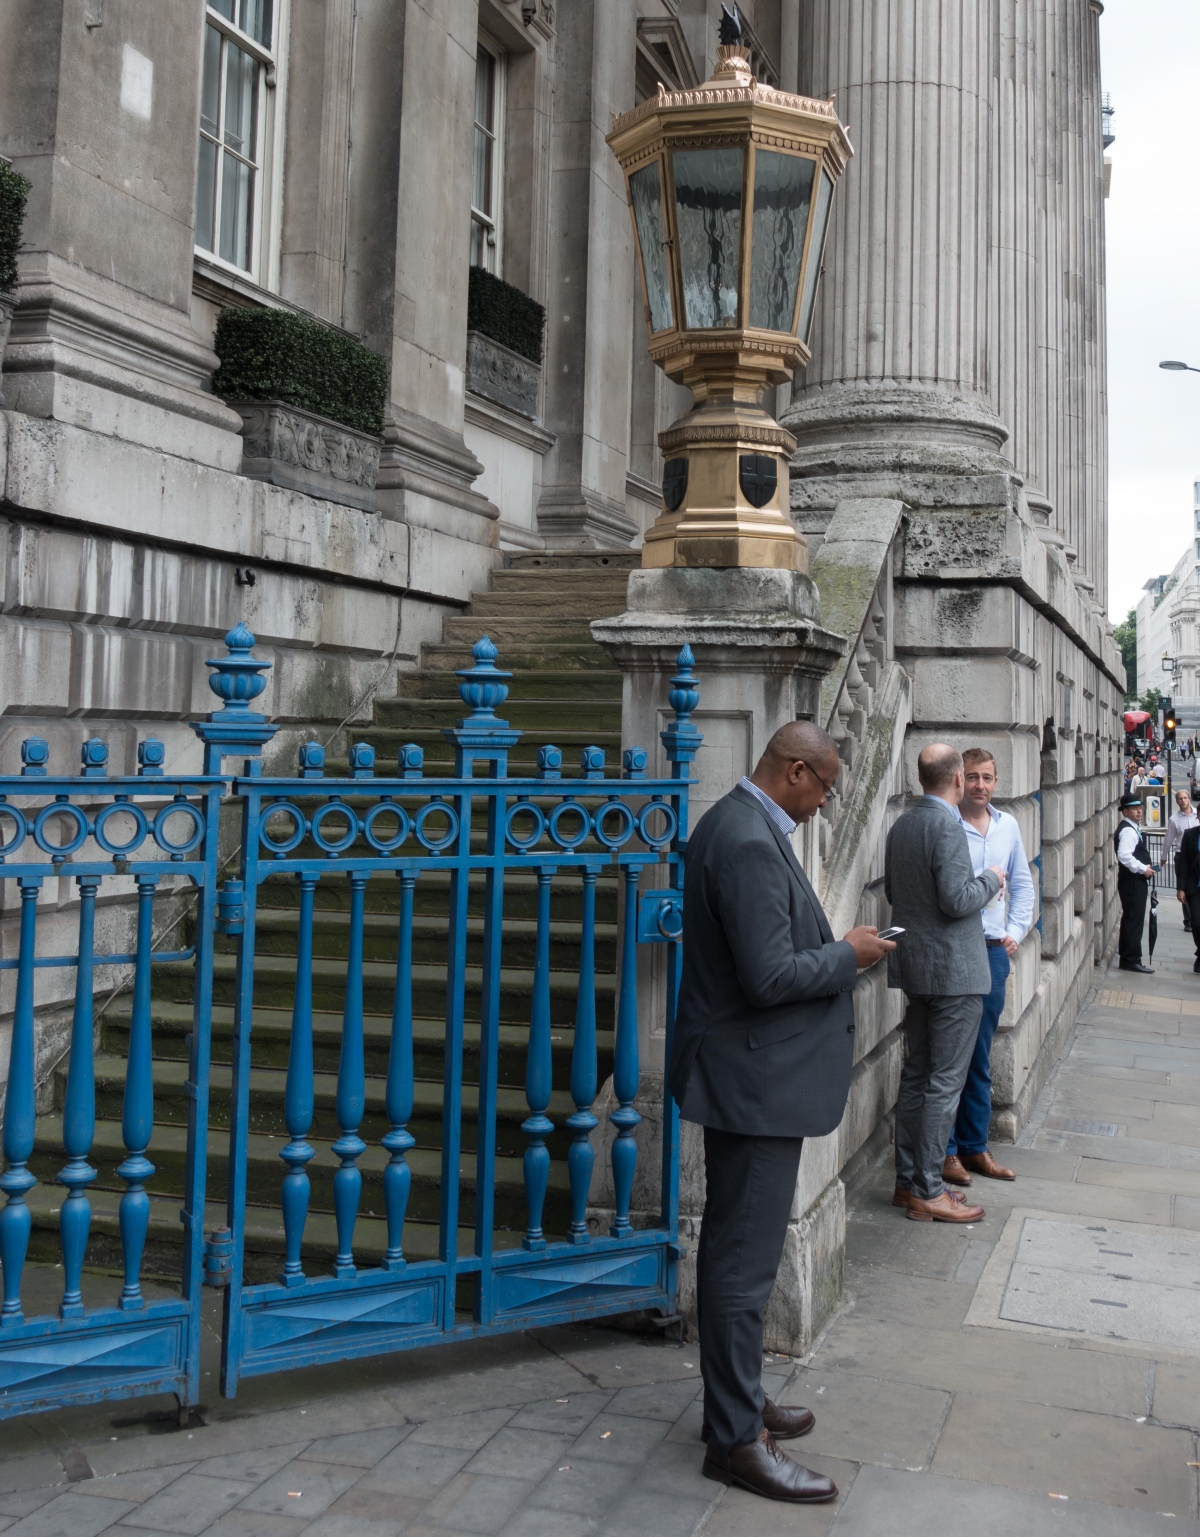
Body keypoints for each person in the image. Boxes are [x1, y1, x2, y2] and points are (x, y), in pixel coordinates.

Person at [671, 721, 894, 1504]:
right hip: (753, 1084)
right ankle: (735, 1442)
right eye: (824, 787)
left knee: (736, 1254)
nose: (826, 802)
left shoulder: (738, 823)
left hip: (751, 1078)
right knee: (742, 1263)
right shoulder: (744, 839)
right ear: (795, 770)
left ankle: (735, 1403)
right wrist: (848, 955)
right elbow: (767, 976)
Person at [884, 744, 1005, 1224]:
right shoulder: (947, 826)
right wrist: (991, 879)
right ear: (957, 778)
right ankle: (929, 1190)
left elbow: (895, 892)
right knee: (944, 1082)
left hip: (916, 967)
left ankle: (906, 1182)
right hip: (955, 971)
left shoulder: (902, 825)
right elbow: (957, 900)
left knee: (917, 1076)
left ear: (921, 777)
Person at [942, 748, 1035, 1189]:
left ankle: (974, 1146)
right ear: (960, 779)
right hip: (955, 950)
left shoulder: (1008, 826)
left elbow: (1023, 884)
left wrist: (1015, 930)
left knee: (980, 1054)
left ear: (996, 782)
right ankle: (946, 1151)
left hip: (993, 951)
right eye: (973, 776)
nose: (980, 785)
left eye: (988, 777)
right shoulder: (947, 823)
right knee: (949, 1056)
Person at [1115, 793, 1156, 973]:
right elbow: (1124, 855)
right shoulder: (1128, 831)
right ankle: (1131, 959)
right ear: (1125, 812)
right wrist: (1142, 868)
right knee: (1134, 920)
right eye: (1134, 808)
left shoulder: (1131, 828)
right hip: (1132, 882)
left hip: (1132, 881)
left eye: (1140, 808)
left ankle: (1127, 957)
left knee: (1130, 919)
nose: (1139, 811)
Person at [1165, 789, 1198, 932]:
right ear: (1177, 801)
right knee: (1184, 887)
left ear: (1189, 799)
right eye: (1180, 798)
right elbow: (1169, 838)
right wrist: (1163, 856)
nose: (1183, 800)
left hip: (1197, 857)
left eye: (1185, 798)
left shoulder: (1198, 814)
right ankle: (1189, 921)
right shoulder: (1174, 819)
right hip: (1181, 856)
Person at [1174, 819, 1200, 972]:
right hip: (1194, 887)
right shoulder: (1190, 834)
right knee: (1196, 922)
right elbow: (1183, 863)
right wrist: (1180, 888)